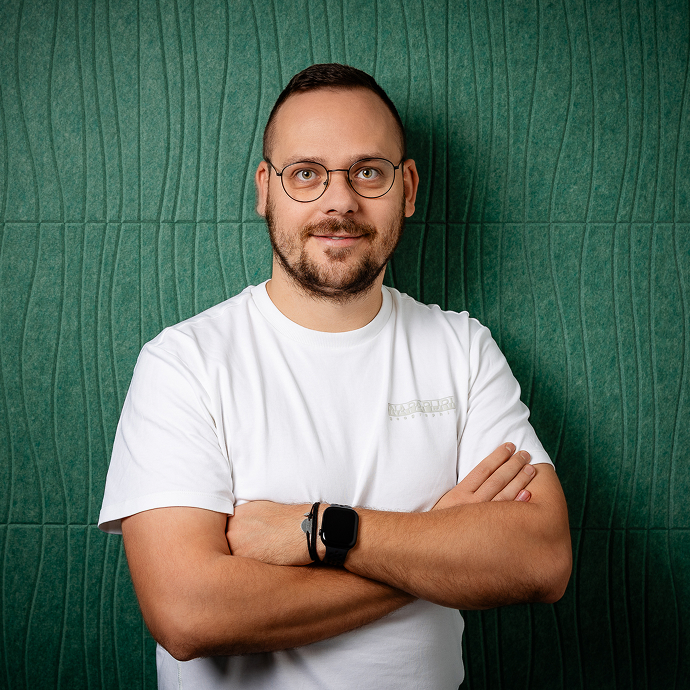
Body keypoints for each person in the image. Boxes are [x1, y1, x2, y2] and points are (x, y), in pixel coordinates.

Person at [99, 63, 571, 689]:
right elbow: (188, 614)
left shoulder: (462, 349)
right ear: (265, 189)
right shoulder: (183, 363)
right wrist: (435, 549)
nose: (339, 201)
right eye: (306, 174)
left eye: (367, 172)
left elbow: (541, 558)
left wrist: (323, 531)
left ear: (407, 188)